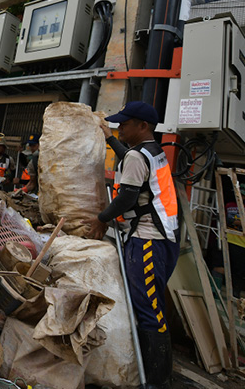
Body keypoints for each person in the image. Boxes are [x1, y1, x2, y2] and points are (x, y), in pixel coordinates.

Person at [85, 101, 179, 389]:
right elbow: (132, 160)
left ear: (144, 126)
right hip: (163, 239)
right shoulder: (153, 151)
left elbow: (127, 198)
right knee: (148, 306)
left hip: (149, 241)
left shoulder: (139, 157)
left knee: (150, 310)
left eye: (125, 123)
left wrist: (101, 219)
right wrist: (111, 139)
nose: (120, 126)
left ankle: (157, 382)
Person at [213, 182, 245, 298]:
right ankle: (215, 292)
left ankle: (234, 295)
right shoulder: (230, 204)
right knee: (219, 265)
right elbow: (220, 217)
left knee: (238, 271)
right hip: (224, 239)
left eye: (242, 195)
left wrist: (233, 221)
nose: (238, 197)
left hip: (242, 244)